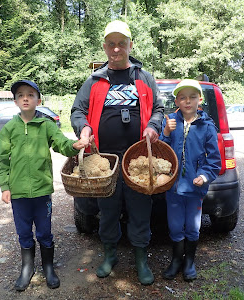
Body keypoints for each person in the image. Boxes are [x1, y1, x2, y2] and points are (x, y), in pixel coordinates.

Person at [70, 20, 164, 285]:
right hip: (105, 162)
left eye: (121, 43)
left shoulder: (143, 77)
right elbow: (77, 111)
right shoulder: (95, 80)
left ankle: (141, 259)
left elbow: (159, 108)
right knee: (108, 211)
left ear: (130, 46)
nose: (116, 49)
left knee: (140, 210)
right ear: (104, 47)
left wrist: (153, 126)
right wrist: (84, 128)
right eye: (111, 44)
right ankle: (110, 255)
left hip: (138, 160)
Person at [0, 80, 89, 291]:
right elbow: (2, 160)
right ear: (16, 101)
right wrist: (5, 186)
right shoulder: (9, 128)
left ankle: (48, 267)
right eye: (20, 95)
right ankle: (27, 268)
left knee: (45, 232)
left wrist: (74, 145)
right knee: (23, 232)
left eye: (30, 94)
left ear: (39, 99)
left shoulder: (46, 125)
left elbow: (61, 143)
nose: (25, 98)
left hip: (41, 191)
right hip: (18, 194)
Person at [159, 79, 221, 281]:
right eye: (183, 97)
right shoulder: (169, 121)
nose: (187, 101)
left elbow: (213, 160)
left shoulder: (207, 126)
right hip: (173, 187)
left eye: (192, 97)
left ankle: (189, 262)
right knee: (175, 226)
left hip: (195, 188)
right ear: (176, 101)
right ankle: (176, 260)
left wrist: (203, 176)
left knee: (193, 227)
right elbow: (161, 152)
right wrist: (166, 133)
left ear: (199, 100)